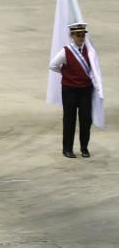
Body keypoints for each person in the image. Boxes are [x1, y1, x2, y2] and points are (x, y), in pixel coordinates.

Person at [49, 22, 102, 158]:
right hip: (70, 90)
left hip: (85, 90)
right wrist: (66, 74)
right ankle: (67, 149)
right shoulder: (66, 51)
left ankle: (84, 147)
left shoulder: (89, 50)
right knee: (69, 119)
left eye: (83, 35)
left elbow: (94, 68)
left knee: (86, 119)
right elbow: (53, 65)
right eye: (78, 35)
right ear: (72, 35)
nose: (81, 38)